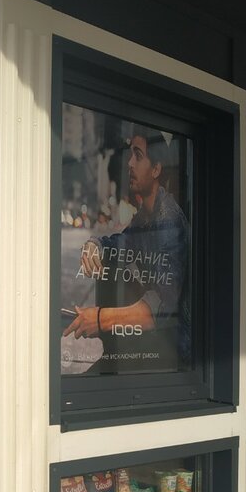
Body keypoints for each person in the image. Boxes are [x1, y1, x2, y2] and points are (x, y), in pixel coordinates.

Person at [63, 128, 190, 370]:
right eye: (131, 155)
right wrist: (96, 245)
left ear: (156, 169)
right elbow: (122, 243)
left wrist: (99, 319)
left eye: (138, 156)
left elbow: (159, 309)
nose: (129, 163)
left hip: (171, 355)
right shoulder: (146, 215)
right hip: (150, 345)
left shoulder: (169, 222)